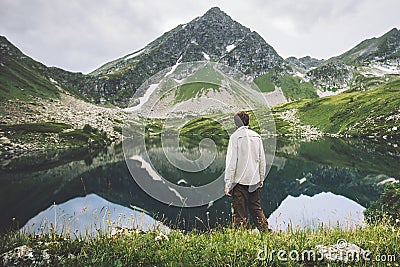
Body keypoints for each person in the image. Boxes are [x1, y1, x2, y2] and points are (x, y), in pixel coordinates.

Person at [224, 111, 269, 232]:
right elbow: (262, 160)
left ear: (236, 123)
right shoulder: (256, 136)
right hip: (254, 181)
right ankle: (266, 234)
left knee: (239, 212)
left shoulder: (235, 138)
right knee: (256, 209)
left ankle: (240, 238)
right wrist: (261, 179)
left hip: (239, 182)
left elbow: (231, 163)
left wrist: (228, 184)